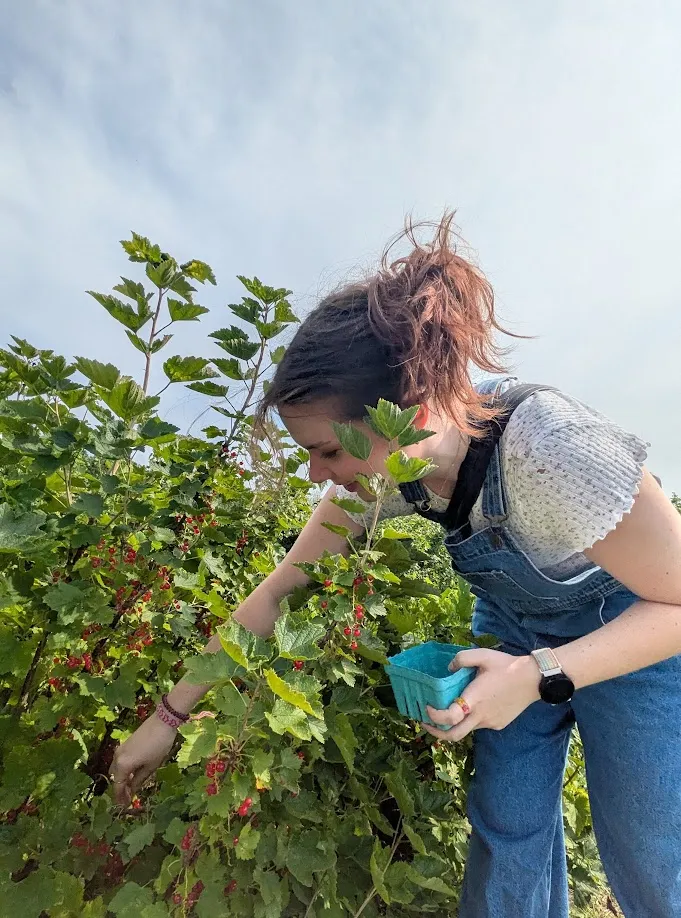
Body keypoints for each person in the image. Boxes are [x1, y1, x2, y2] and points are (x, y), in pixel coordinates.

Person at [111, 214, 681, 918]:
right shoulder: (384, 477)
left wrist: (539, 675)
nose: (317, 473)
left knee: (649, 849)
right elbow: (277, 594)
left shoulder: (551, 448)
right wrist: (167, 719)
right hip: (512, 629)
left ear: (405, 412)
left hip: (634, 626)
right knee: (506, 826)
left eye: (326, 450)